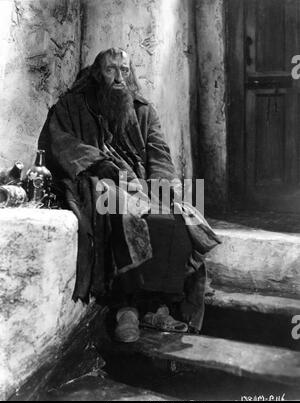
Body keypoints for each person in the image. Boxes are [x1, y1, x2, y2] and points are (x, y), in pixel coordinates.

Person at [38, 47, 220, 343]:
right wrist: (109, 170)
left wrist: (161, 187)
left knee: (175, 218)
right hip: (101, 179)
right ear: (98, 74)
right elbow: (64, 145)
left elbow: (159, 155)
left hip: (142, 185)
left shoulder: (143, 109)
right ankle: (126, 308)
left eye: (125, 70)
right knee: (121, 214)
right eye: (112, 70)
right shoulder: (72, 106)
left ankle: (157, 306)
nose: (119, 77)